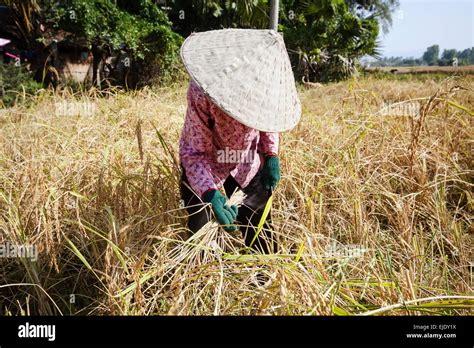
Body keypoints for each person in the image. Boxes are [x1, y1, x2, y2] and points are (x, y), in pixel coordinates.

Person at [178, 29, 301, 254]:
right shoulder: (202, 91)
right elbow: (194, 153)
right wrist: (210, 193)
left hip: (247, 164)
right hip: (207, 167)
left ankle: (264, 279)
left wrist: (272, 154)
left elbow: (268, 119)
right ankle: (204, 281)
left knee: (262, 233)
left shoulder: (266, 86)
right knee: (201, 233)